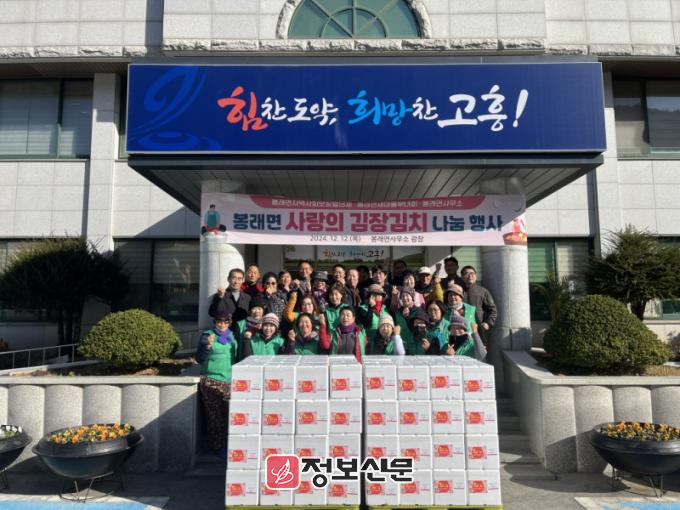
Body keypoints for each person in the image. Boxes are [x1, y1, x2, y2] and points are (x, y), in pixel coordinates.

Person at [195, 311, 238, 455]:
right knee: (214, 416)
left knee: (228, 415)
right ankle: (217, 446)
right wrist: (207, 346)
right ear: (215, 323)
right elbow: (199, 358)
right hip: (211, 380)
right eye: (219, 322)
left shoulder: (231, 336)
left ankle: (228, 444)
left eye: (225, 322)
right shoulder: (207, 335)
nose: (222, 324)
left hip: (229, 381)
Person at [461, 265, 497, 343]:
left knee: (479, 349)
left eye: (472, 273)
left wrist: (488, 323)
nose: (470, 276)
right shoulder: (459, 291)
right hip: (460, 329)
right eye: (467, 273)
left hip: (478, 329)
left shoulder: (483, 291)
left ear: (476, 276)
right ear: (462, 277)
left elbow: (492, 310)